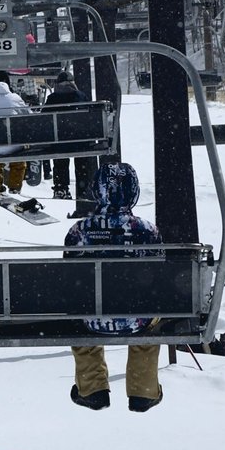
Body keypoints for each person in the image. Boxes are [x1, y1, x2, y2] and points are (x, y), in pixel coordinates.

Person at [64, 161, 163, 412]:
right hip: (137, 319)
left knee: (84, 310)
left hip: (92, 318)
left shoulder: (79, 230)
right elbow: (159, 275)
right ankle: (144, 391)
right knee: (149, 329)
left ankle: (92, 388)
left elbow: (68, 278)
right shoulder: (147, 231)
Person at [43, 70, 90, 201]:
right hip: (81, 141)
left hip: (60, 141)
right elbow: (90, 117)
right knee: (82, 160)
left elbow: (43, 119)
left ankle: (61, 187)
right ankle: (83, 188)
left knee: (60, 157)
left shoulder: (52, 99)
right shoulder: (81, 96)